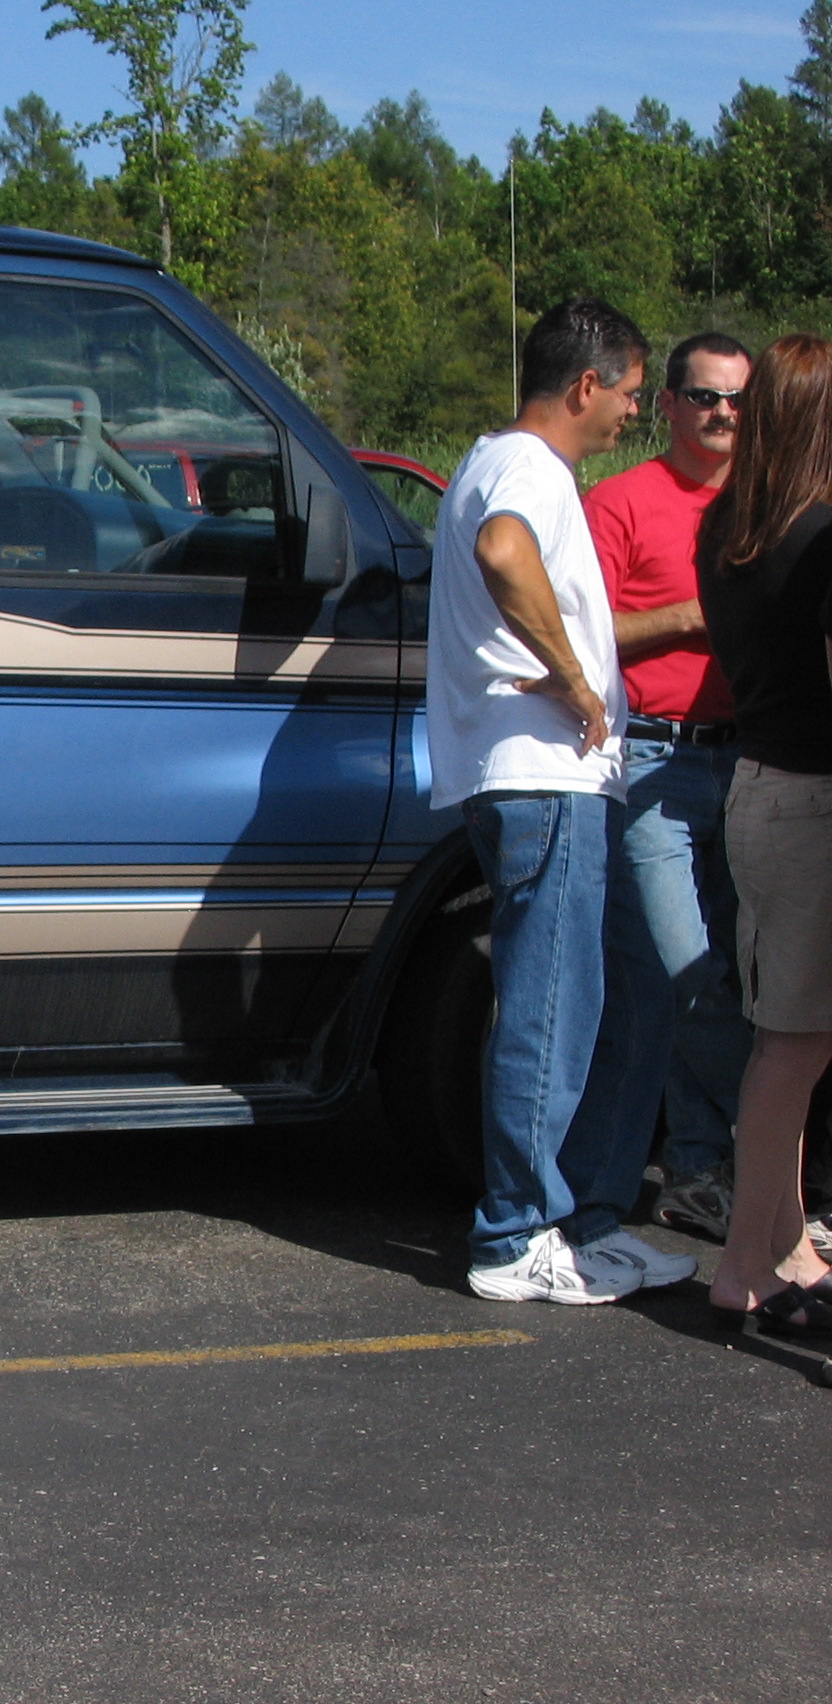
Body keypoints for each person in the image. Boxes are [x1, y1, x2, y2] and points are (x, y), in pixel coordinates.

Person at [430, 296, 696, 1305]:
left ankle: (581, 1220)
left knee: (616, 987)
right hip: (544, 777)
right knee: (551, 1005)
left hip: (556, 781)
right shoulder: (529, 468)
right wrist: (578, 681)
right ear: (586, 385)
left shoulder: (496, 461)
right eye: (630, 392)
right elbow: (505, 552)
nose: (634, 411)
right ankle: (515, 1235)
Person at [582, 333, 755, 1241]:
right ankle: (789, 1136)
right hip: (653, 757)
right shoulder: (618, 501)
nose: (723, 414)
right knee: (685, 972)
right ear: (668, 405)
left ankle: (696, 1171)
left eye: (738, 400)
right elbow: (580, 629)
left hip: (753, 759)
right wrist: (689, 615)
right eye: (704, 397)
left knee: (732, 974)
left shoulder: (763, 504)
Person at [694, 333, 832, 1338]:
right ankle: (745, 1264)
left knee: (784, 1035)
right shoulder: (815, 531)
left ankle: (785, 1247)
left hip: (757, 785)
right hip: (812, 800)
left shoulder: (728, 524)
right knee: (795, 1045)